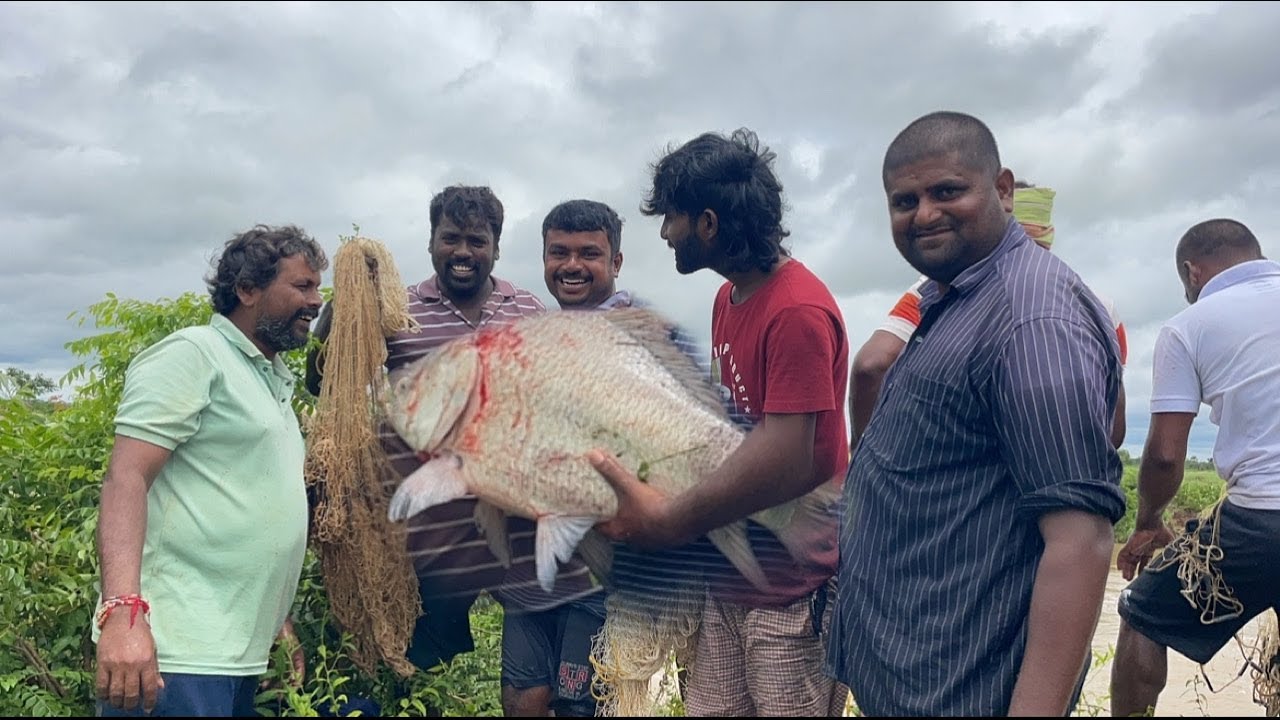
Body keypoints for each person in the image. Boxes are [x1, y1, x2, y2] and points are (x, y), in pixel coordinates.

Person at [826, 111, 1126, 716]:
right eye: (904, 201)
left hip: (963, 687)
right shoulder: (953, 293)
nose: (924, 214)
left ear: (1004, 189)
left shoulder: (1033, 320)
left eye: (947, 191)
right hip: (916, 668)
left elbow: (1080, 542)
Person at [304, 185, 600, 717]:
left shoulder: (527, 309)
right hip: (427, 539)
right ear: (432, 243)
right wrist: (340, 311)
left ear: (495, 248)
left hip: (508, 526)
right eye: (451, 239)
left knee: (541, 677)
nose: (463, 252)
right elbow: (321, 379)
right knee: (416, 665)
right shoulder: (399, 313)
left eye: (476, 241)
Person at [587, 128, 851, 716]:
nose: (664, 233)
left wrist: (667, 520)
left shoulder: (797, 311)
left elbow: (784, 459)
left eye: (672, 219)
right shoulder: (730, 299)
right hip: (729, 581)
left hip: (789, 592)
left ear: (707, 224)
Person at [93, 224, 325, 716]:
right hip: (175, 654)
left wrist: (277, 621)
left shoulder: (270, 378)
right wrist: (121, 615)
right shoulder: (194, 354)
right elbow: (125, 478)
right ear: (247, 289)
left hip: (237, 655)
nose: (316, 300)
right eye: (302, 286)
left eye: (317, 287)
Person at [1110, 219, 1280, 717]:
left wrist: (1147, 522)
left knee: (1143, 613)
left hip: (1260, 522)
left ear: (1192, 272)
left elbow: (1164, 453)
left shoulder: (1191, 325)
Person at [849, 181, 1129, 448]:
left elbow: (871, 366)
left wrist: (866, 466)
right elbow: (1114, 429)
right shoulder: (1100, 308)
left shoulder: (936, 289)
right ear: (1047, 235)